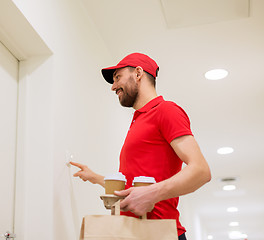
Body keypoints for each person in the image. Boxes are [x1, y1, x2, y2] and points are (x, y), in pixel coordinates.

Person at [70, 53, 211, 240]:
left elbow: (201, 171)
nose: (113, 87)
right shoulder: (138, 120)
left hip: (159, 233)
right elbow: (134, 188)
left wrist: (151, 194)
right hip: (132, 232)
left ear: (138, 73)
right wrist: (95, 177)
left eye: (117, 77)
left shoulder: (166, 111)